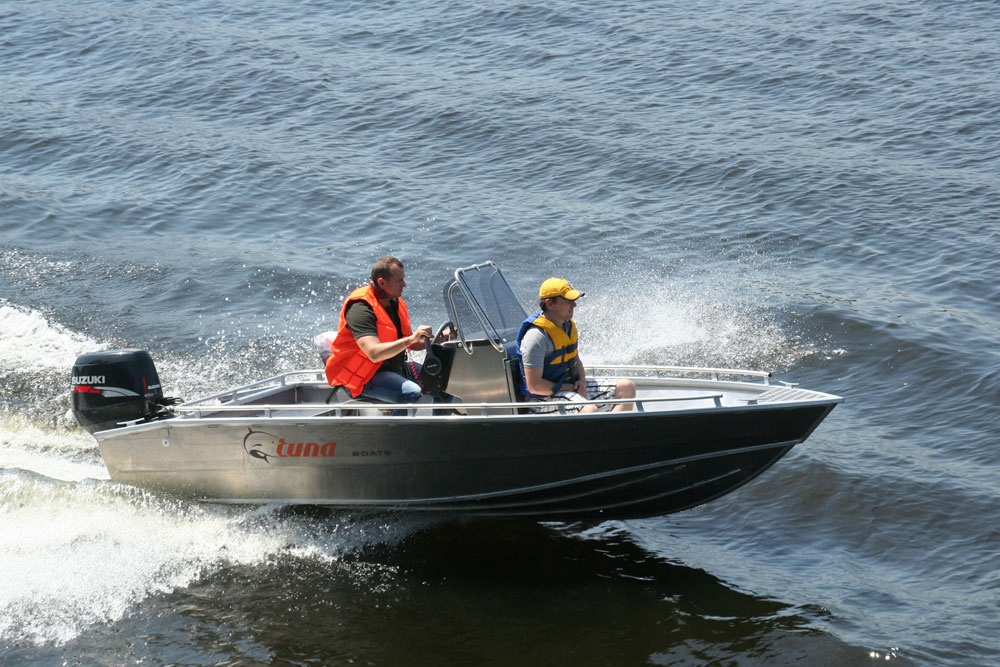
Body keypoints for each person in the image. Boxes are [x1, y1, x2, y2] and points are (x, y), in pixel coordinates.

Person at [324, 257, 432, 412]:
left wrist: (438, 339)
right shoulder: (360, 308)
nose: (404, 285)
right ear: (382, 283)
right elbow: (374, 353)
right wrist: (410, 339)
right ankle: (396, 428)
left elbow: (412, 343)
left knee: (441, 380)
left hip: (394, 369)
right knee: (411, 393)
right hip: (364, 377)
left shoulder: (394, 302)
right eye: (399, 281)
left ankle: (445, 424)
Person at [516, 277, 636, 413]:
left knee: (626, 387)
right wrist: (569, 388)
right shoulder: (536, 338)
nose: (574, 305)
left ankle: (612, 427)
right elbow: (535, 386)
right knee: (589, 409)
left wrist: (582, 382)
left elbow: (575, 360)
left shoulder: (566, 326)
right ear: (549, 303)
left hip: (569, 388)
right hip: (542, 399)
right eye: (568, 301)